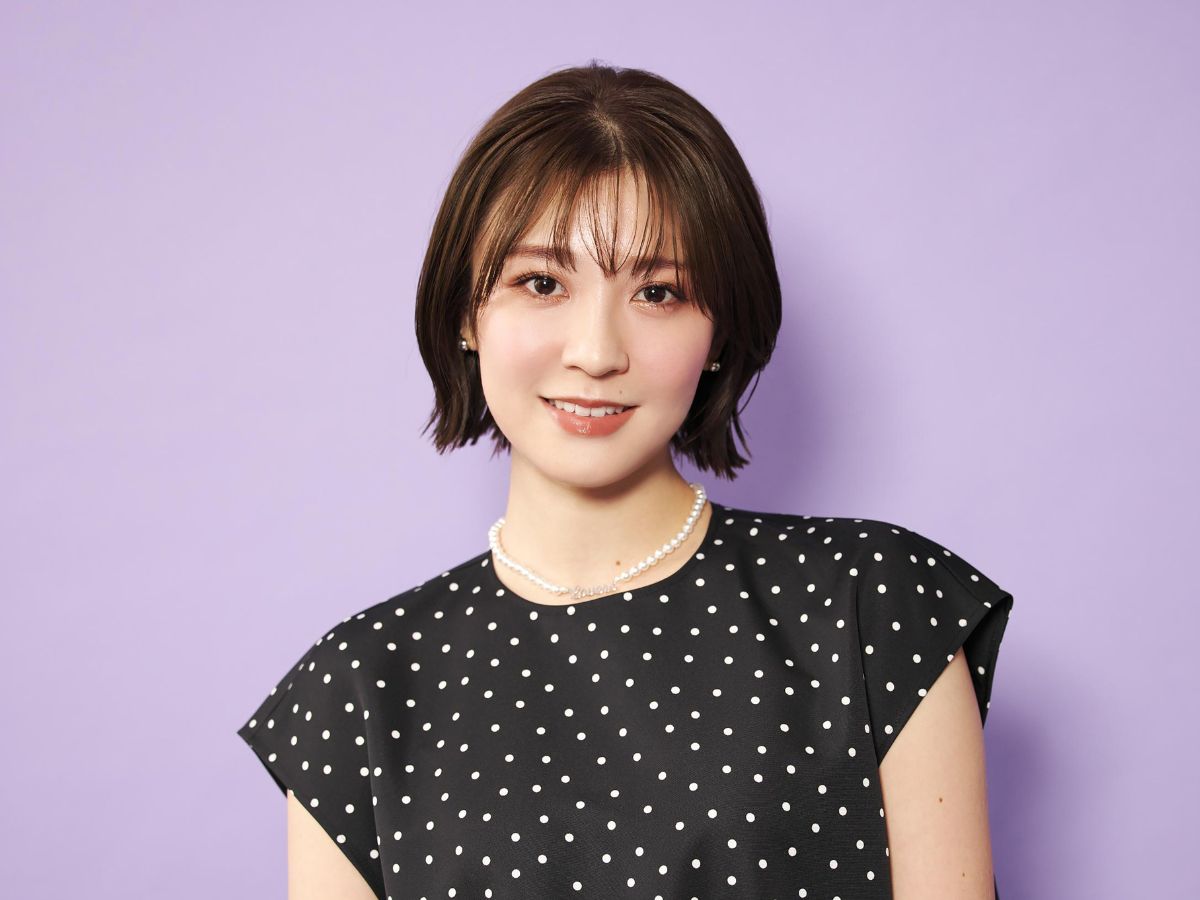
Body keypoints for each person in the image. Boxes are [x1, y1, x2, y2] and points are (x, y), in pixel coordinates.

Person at [237, 61, 1014, 900]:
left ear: (718, 333)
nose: (597, 352)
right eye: (542, 283)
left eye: (658, 292)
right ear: (466, 313)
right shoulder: (359, 686)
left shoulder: (872, 605)